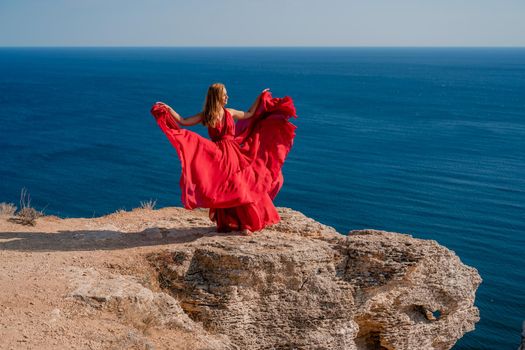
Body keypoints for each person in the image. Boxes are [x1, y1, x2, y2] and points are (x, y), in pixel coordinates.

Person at [150, 83, 297, 235]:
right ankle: (237, 224)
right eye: (224, 94)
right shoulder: (207, 115)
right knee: (231, 187)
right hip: (219, 156)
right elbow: (183, 121)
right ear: (217, 97)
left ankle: (245, 224)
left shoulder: (230, 112)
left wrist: (260, 98)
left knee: (241, 186)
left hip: (235, 154)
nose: (227, 97)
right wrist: (168, 109)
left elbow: (250, 114)